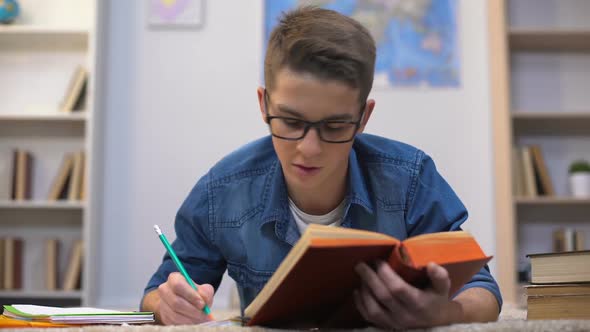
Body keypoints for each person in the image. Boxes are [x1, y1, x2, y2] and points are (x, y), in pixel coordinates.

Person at [141, 6, 502, 329]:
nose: (308, 149)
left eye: (334, 126)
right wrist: (167, 305)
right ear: (263, 104)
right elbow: (153, 298)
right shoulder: (222, 192)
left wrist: (446, 314)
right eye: (290, 121)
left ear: (363, 117)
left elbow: (482, 290)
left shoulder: (409, 179)